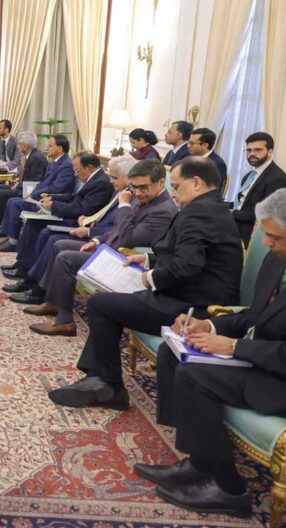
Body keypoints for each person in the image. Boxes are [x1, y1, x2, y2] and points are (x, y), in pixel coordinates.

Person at [138, 189, 286, 518]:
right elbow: (259, 314)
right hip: (274, 360)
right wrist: (209, 326)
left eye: (273, 237)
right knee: (174, 351)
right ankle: (199, 461)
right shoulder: (283, 256)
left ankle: (229, 489)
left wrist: (237, 347)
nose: (266, 244)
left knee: (195, 374)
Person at [48, 157, 243, 410]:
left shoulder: (200, 212)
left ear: (196, 183)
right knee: (105, 303)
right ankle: (98, 379)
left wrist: (148, 278)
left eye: (176, 186)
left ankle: (109, 387)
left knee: (101, 304)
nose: (173, 193)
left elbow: (187, 266)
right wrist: (150, 259)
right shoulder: (209, 207)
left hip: (193, 305)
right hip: (188, 294)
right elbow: (193, 256)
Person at [27, 160, 178, 335]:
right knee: (59, 244)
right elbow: (116, 230)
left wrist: (124, 205)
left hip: (124, 260)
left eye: (143, 187)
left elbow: (128, 238)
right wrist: (97, 241)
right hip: (108, 249)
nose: (138, 192)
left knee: (66, 258)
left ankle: (64, 321)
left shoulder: (162, 210)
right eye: (134, 187)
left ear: (161, 182)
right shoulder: (145, 197)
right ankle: (53, 302)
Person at [5, 155, 137, 291]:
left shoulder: (114, 189)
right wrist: (55, 200)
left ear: (129, 177)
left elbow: (88, 210)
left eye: (114, 177)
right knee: (36, 225)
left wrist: (90, 229)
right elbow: (79, 199)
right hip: (87, 223)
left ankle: (36, 285)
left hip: (90, 230)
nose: (111, 180)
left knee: (51, 237)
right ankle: (25, 269)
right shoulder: (118, 190)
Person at [0, 152, 112, 262]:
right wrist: (53, 198)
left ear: (89, 167)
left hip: (78, 221)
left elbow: (82, 208)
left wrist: (54, 206)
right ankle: (22, 264)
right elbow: (75, 197)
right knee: (32, 222)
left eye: (77, 171)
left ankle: (27, 271)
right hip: (73, 216)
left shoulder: (101, 183)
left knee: (38, 227)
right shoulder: (94, 178)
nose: (75, 175)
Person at [0, 134, 75, 250]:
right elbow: (42, 182)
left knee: (14, 202)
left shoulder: (66, 165)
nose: (46, 148)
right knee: (12, 201)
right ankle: (10, 237)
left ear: (59, 148)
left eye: (50, 146)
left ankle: (13, 242)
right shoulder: (54, 162)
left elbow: (57, 188)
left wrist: (34, 194)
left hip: (49, 201)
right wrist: (32, 192)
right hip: (39, 196)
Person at [0, 131, 47, 231]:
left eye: (19, 145)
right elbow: (29, 177)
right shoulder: (32, 154)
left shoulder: (36, 157)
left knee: (2, 193)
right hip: (24, 186)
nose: (17, 147)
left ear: (25, 146)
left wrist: (19, 185)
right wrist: (18, 182)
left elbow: (36, 180)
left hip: (30, 192)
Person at [232, 132, 286, 245]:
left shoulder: (277, 179)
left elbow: (268, 216)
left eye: (257, 150)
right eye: (249, 150)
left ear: (270, 152)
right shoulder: (250, 175)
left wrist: (233, 213)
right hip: (236, 225)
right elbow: (242, 203)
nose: (252, 154)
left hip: (253, 235)